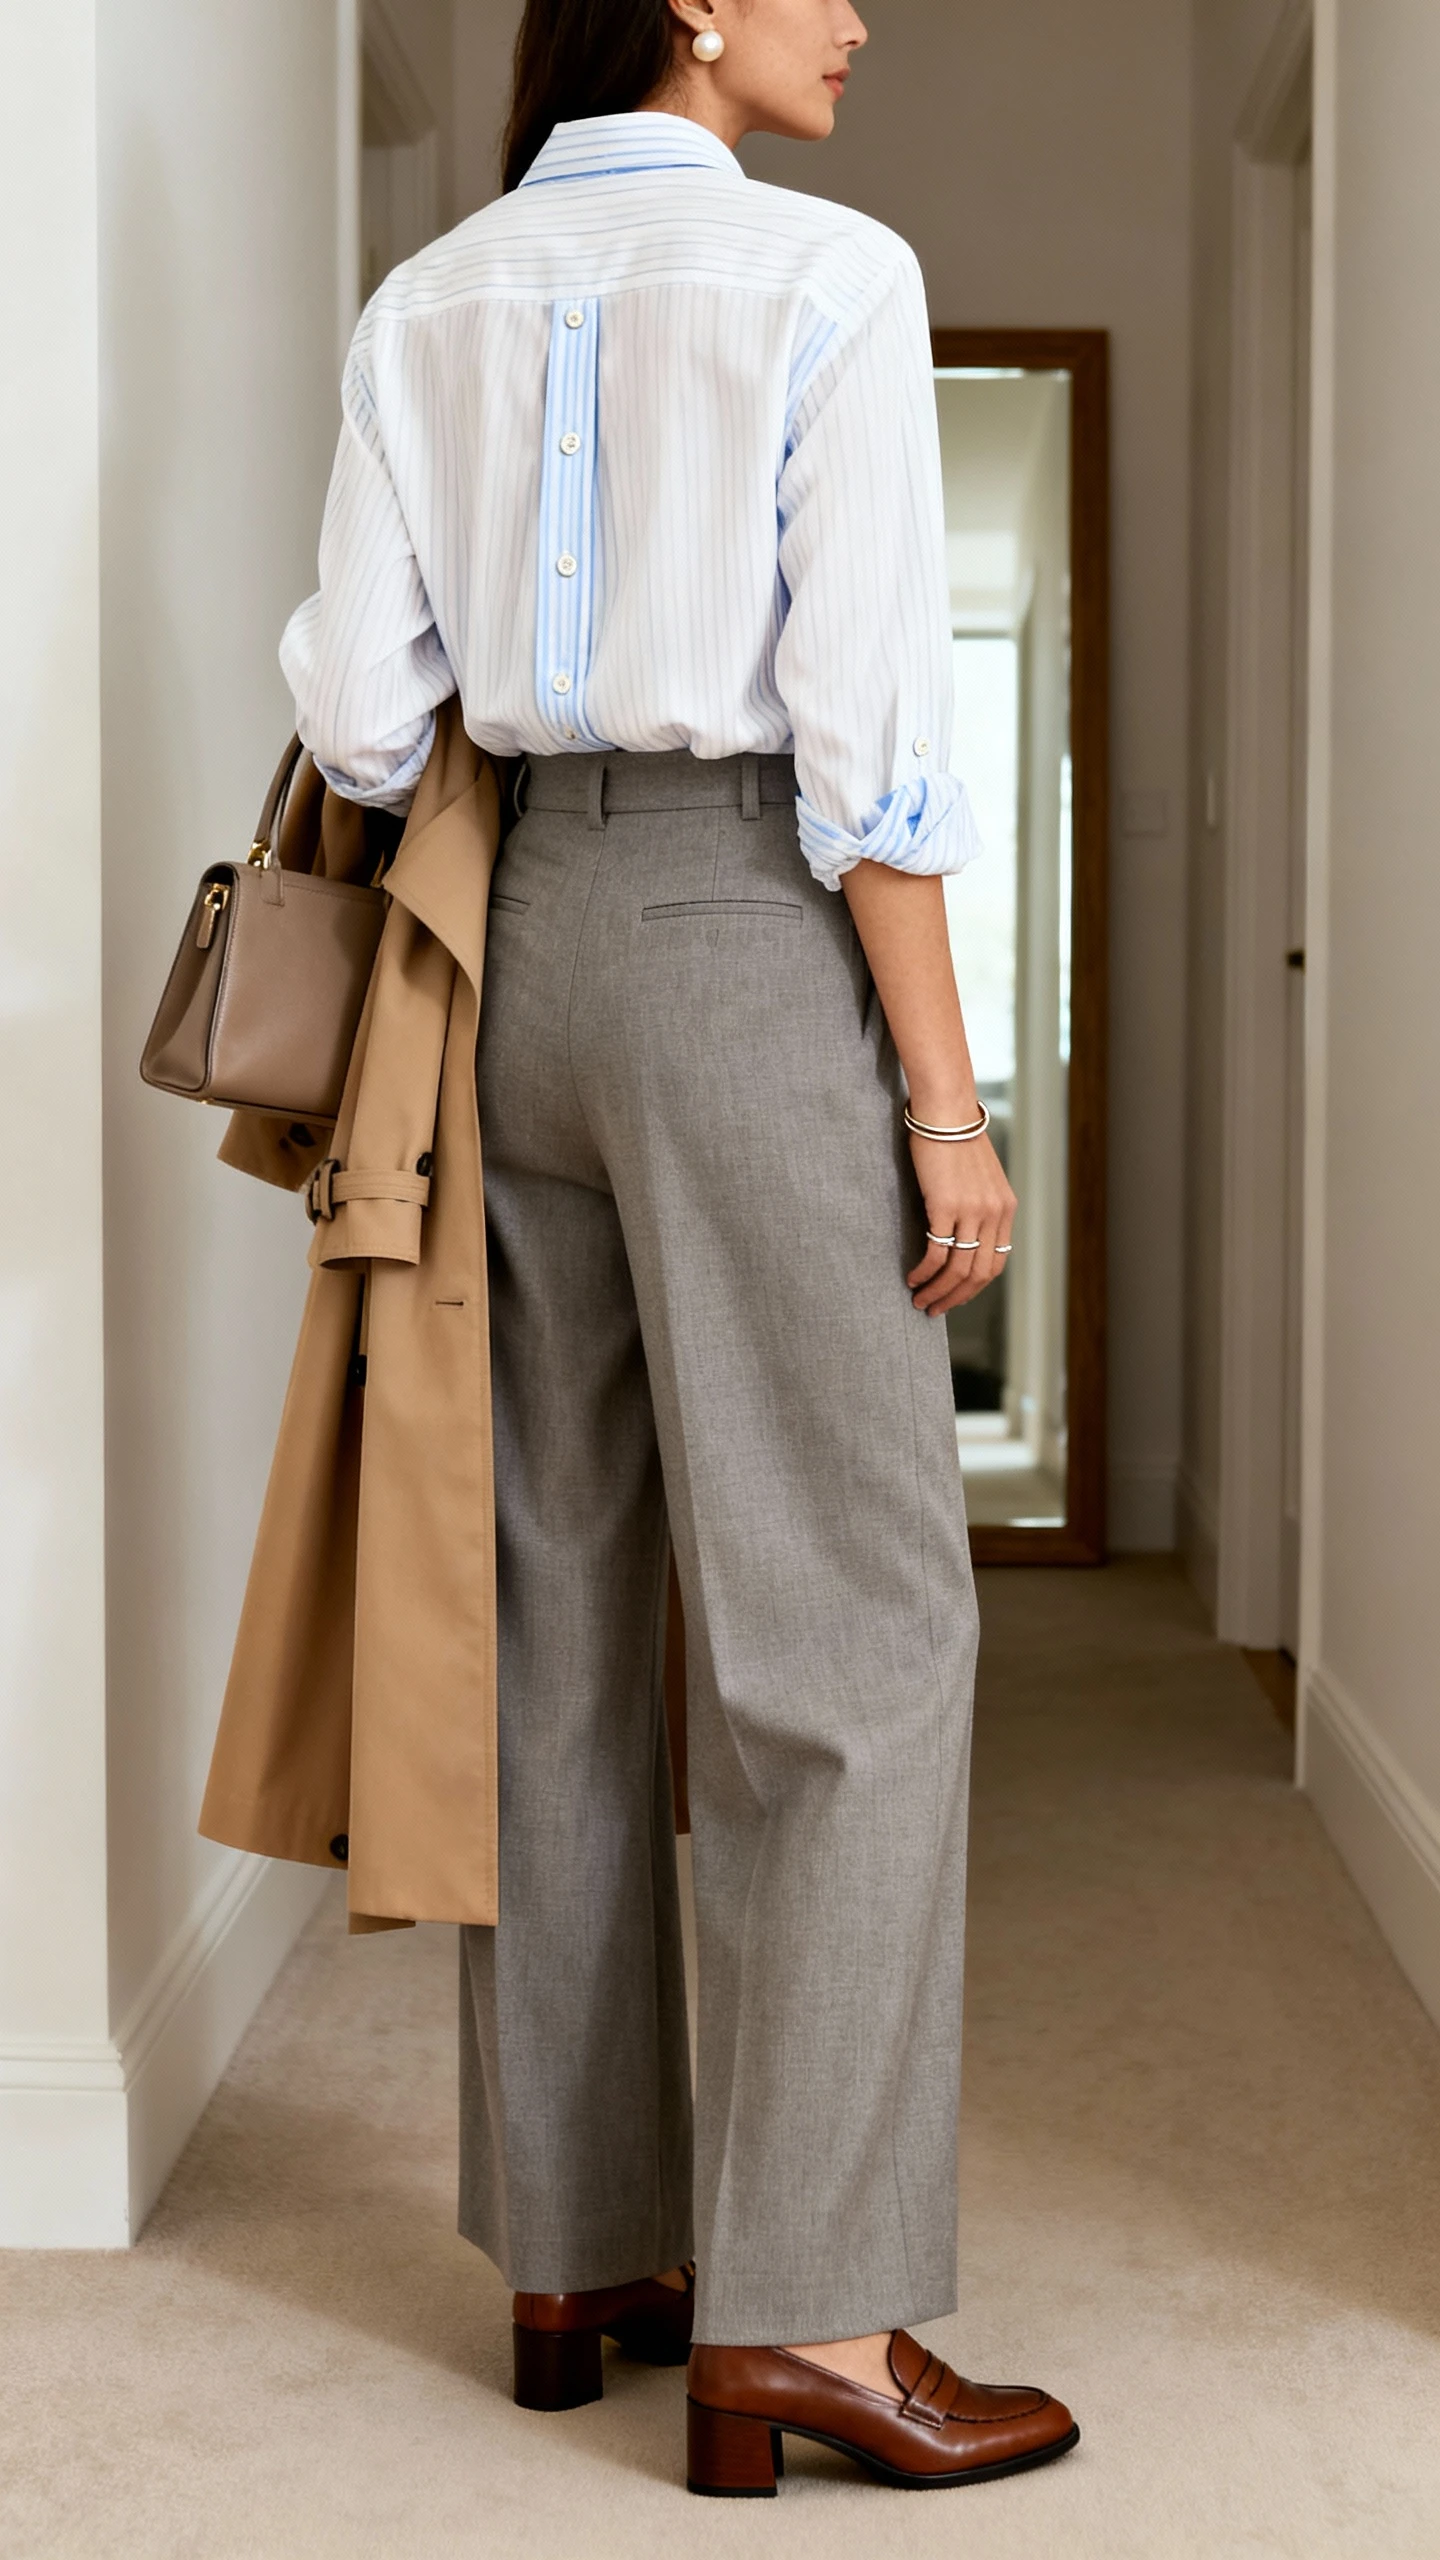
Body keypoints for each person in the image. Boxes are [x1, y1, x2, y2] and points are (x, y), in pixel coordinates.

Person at [281, 0, 1078, 2500]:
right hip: (749, 936)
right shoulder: (831, 278)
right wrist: (946, 1107)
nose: (860, 16)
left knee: (559, 1601)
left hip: (520, 952)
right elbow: (871, 745)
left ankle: (580, 2248)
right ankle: (815, 2318)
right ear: (693, 7)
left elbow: (363, 717)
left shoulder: (427, 301)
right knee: (857, 1627)